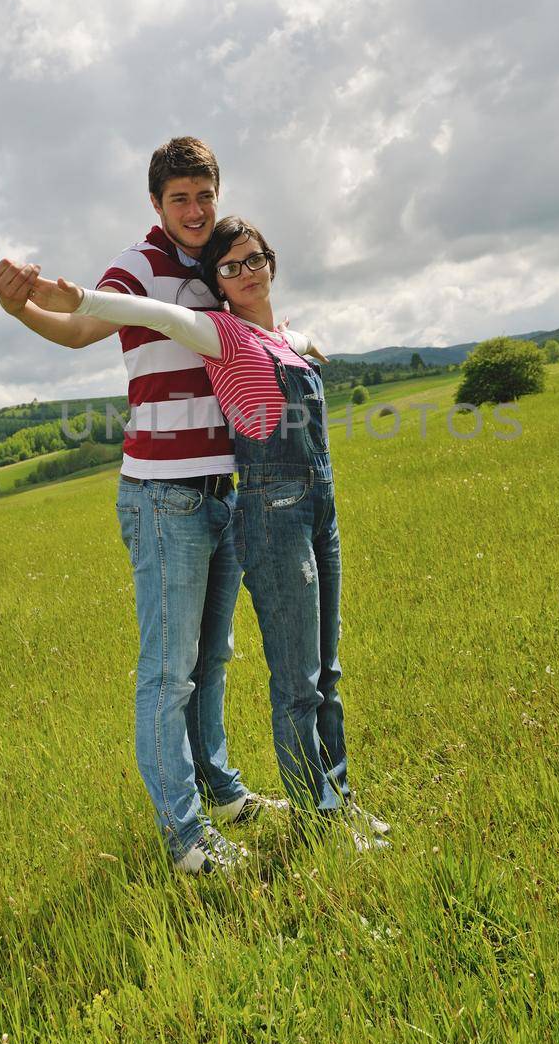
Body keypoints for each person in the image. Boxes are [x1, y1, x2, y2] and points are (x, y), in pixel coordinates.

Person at [0, 138, 297, 876]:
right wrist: (19, 305)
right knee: (167, 672)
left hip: (225, 491)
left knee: (211, 659)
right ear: (156, 204)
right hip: (164, 497)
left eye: (203, 194)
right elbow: (78, 328)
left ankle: (221, 793)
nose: (194, 210)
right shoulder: (139, 263)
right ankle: (187, 840)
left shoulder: (217, 262)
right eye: (179, 198)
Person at [28, 214, 390, 852]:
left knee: (325, 670)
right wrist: (77, 301)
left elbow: (291, 336)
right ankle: (316, 820)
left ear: (272, 263)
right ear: (216, 285)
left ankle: (334, 799)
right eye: (230, 267)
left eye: (255, 259)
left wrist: (306, 338)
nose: (246, 271)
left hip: (320, 512)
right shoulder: (218, 331)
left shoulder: (277, 337)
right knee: (294, 681)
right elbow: (152, 313)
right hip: (270, 512)